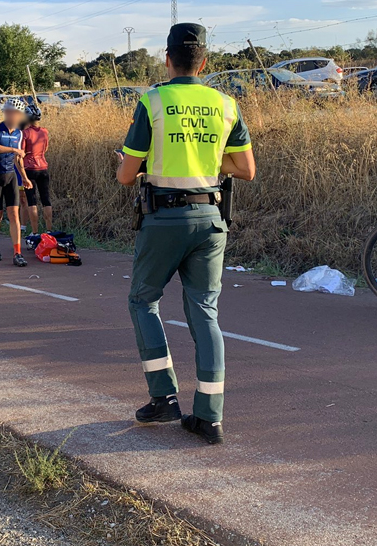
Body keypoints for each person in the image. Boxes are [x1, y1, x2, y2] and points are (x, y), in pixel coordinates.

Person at [116, 23, 255, 445]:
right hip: (211, 220)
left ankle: (164, 397)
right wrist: (210, 166)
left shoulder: (153, 100)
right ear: (205, 62)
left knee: (143, 299)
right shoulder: (226, 104)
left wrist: (128, 161)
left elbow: (125, 176)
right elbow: (247, 170)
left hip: (163, 219)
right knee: (204, 310)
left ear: (167, 58)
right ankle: (209, 417)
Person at [0, 98, 33, 267]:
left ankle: (17, 253)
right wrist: (13, 149)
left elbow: (18, 158)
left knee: (14, 214)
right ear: (6, 112)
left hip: (10, 175)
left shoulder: (18, 133)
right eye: (10, 112)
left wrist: (25, 177)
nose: (14, 116)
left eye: (17, 114)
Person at [20, 104, 53, 237]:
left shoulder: (25, 133)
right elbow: (45, 149)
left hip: (30, 168)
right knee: (46, 199)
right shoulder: (44, 131)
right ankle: (49, 230)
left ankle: (35, 232)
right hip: (43, 166)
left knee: (32, 200)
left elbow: (21, 153)